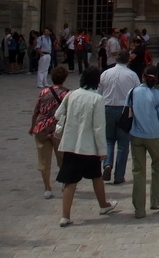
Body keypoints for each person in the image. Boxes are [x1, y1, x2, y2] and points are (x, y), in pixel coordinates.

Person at [54, 66, 119, 226]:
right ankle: (103, 204)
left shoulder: (71, 95)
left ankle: (65, 216)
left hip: (71, 143)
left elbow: (57, 114)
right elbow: (98, 127)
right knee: (96, 175)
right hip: (88, 146)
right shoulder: (97, 98)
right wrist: (103, 150)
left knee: (70, 180)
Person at [129, 65, 159, 219]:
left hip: (136, 134)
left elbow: (129, 111)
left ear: (142, 76)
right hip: (153, 135)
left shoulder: (133, 92)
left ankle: (139, 209)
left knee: (138, 172)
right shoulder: (158, 95)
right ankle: (155, 200)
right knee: (157, 167)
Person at [99, 50, 140, 185]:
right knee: (123, 144)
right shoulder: (132, 75)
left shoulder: (105, 73)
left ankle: (107, 164)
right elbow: (137, 94)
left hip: (107, 108)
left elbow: (99, 92)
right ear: (128, 60)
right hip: (124, 109)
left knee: (109, 139)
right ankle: (119, 175)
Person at [29, 65, 71, 199]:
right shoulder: (68, 94)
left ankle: (47, 188)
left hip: (41, 128)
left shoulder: (43, 92)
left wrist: (32, 126)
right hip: (58, 129)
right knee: (62, 159)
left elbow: (36, 111)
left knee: (44, 161)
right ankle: (65, 183)